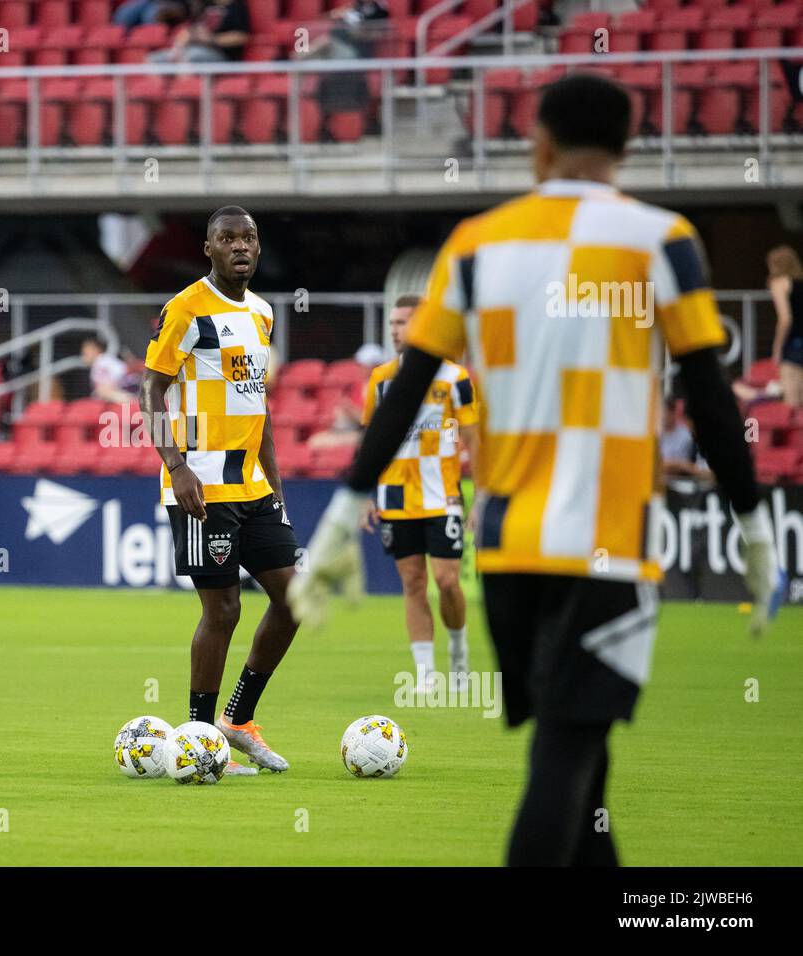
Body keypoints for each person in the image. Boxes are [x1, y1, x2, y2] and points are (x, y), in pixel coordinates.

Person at [293, 74, 783, 865]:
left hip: (511, 547)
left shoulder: (478, 243)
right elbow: (711, 398)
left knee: (584, 769)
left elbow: (404, 387)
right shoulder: (662, 240)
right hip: (608, 546)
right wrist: (755, 526)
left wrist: (343, 517)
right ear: (627, 148)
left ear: (540, 146)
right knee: (564, 758)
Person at [139, 205, 300, 776]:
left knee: (293, 599)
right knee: (224, 609)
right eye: (228, 238)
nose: (241, 246)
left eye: (249, 237)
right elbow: (150, 393)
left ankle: (237, 719)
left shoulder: (262, 313)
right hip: (200, 487)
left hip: (254, 486)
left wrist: (276, 486)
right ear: (208, 249)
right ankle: (200, 738)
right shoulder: (184, 308)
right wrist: (176, 466)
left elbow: (258, 407)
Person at [360, 294, 479, 693]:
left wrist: (479, 496)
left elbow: (472, 439)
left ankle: (459, 650)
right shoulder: (381, 380)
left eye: (403, 322)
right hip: (395, 497)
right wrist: (364, 494)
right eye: (392, 323)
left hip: (442, 495)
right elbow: (371, 440)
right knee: (412, 582)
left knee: (446, 580)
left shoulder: (453, 378)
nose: (395, 330)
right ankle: (426, 674)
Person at [148, 0, 250, 64]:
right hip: (196, 47)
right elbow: (189, 30)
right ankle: (160, 94)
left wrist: (212, 39)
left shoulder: (236, 7)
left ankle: (186, 91)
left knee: (191, 56)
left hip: (222, 54)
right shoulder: (206, 5)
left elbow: (241, 36)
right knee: (155, 58)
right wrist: (178, 48)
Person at [767, 244, 803, 408]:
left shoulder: (779, 282)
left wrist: (777, 348)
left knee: (792, 403)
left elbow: (785, 318)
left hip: (794, 345)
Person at [659, 396, 712, 482]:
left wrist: (682, 466)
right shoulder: (656, 433)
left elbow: (701, 470)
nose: (661, 416)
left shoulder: (686, 436)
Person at [82, 337, 138, 403]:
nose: (83, 357)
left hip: (128, 385)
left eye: (85, 353)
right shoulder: (104, 360)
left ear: (95, 350)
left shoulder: (101, 361)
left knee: (101, 390)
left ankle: (132, 401)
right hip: (128, 385)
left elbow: (105, 388)